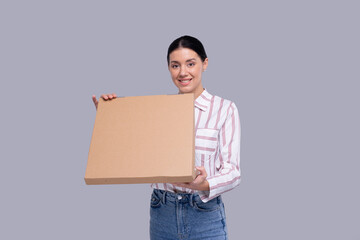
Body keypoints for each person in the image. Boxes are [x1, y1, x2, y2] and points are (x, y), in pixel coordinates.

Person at [92, 35, 241, 240]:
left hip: (204, 213)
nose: (183, 72)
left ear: (204, 64)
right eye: (175, 65)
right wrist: (109, 117)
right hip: (163, 212)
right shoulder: (156, 111)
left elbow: (233, 172)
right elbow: (129, 151)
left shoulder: (224, 109)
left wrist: (204, 185)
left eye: (190, 64)